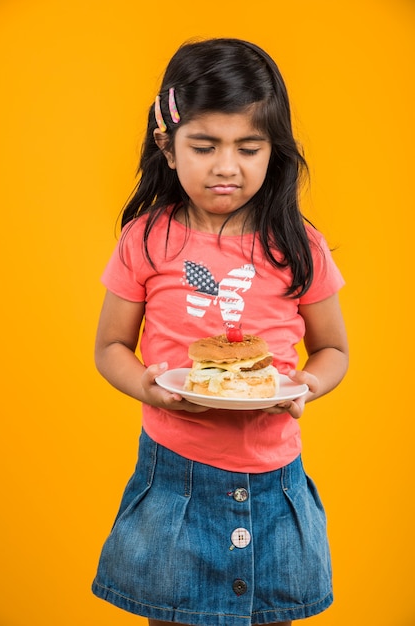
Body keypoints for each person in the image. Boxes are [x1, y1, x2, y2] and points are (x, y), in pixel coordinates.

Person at [91, 38, 348, 626]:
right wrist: (147, 386)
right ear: (169, 146)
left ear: (273, 152)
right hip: (175, 476)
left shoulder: (298, 245)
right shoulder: (146, 240)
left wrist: (307, 383)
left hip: (273, 481)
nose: (226, 167)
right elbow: (110, 347)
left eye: (249, 147)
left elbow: (333, 348)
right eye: (204, 146)